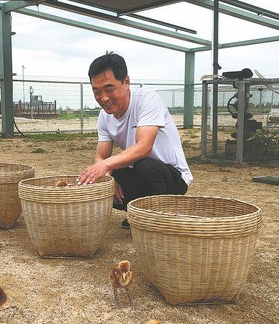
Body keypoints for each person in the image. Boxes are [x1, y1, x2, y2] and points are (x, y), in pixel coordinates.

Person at [77, 52, 193, 229]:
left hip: (172, 177)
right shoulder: (104, 117)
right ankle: (138, 213)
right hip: (142, 173)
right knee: (106, 179)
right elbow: (101, 156)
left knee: (144, 166)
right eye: (97, 91)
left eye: (109, 89)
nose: (104, 98)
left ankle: (157, 216)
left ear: (126, 82)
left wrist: (105, 166)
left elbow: (144, 147)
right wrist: (108, 178)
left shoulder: (147, 99)